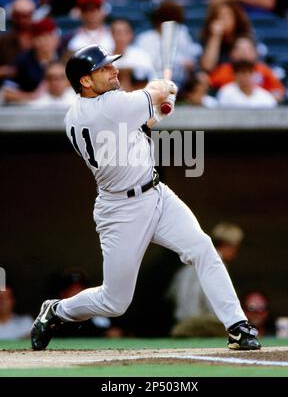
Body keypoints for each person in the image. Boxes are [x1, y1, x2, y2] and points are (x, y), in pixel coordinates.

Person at [31, 44, 261, 352]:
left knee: (203, 248)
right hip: (120, 209)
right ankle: (56, 310)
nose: (113, 70)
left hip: (157, 195)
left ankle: (237, 326)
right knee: (115, 302)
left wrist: (160, 110)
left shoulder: (82, 112)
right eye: (104, 68)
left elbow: (141, 124)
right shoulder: (108, 105)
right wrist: (165, 88)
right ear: (85, 81)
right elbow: (152, 92)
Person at [168, 222, 244, 337]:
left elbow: (171, 295)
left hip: (180, 324)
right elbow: (216, 302)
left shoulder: (186, 267)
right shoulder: (217, 264)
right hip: (200, 324)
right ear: (228, 245)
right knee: (241, 328)